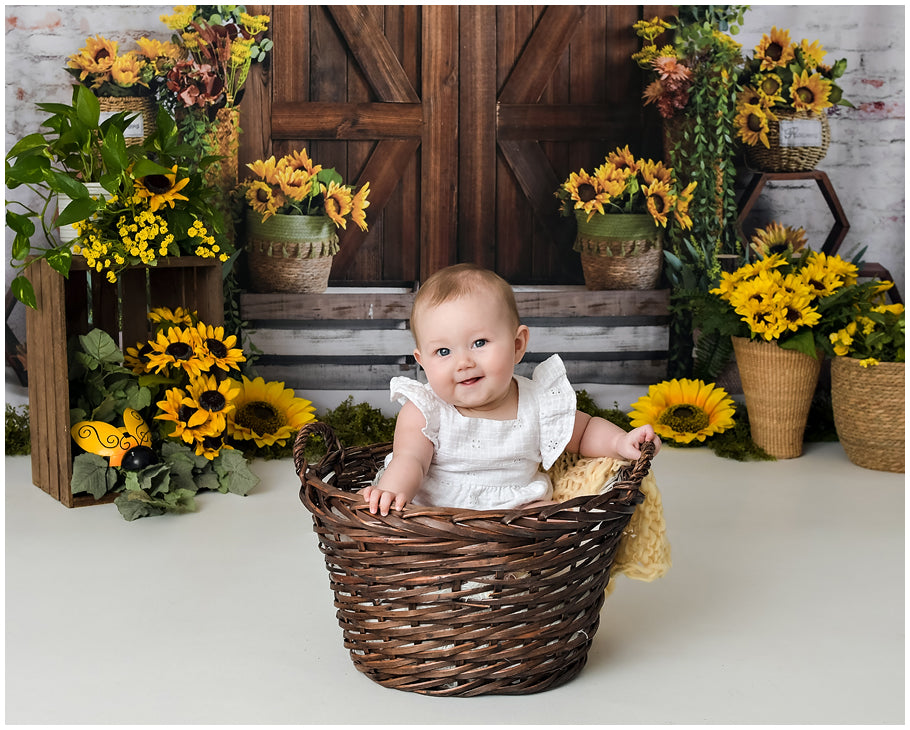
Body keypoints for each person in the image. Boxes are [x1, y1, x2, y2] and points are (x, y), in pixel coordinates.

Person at [361, 263, 661, 515]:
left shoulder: (538, 402)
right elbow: (410, 459)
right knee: (408, 519)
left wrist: (621, 442)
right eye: (443, 352)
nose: (463, 362)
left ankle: (526, 576)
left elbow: (583, 432)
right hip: (438, 516)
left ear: (517, 345)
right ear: (422, 361)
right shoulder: (425, 410)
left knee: (554, 521)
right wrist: (392, 491)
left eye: (479, 343)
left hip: (517, 516)